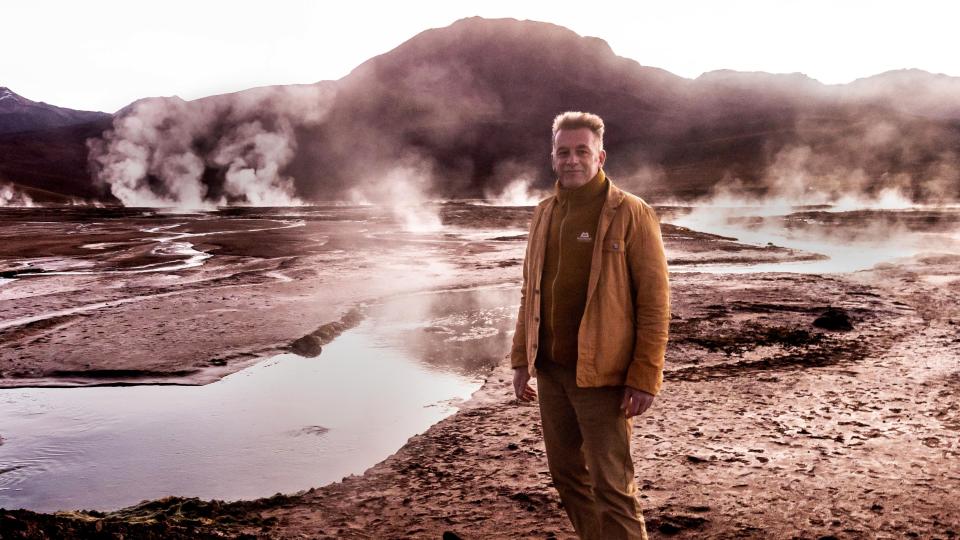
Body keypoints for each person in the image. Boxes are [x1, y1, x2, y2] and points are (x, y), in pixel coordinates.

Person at [510, 111, 670, 540]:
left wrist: (645, 375)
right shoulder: (545, 213)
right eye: (564, 152)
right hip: (552, 371)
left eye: (582, 151)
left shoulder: (632, 213)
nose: (572, 160)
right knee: (567, 477)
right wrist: (521, 359)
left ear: (600, 156)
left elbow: (655, 303)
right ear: (553, 157)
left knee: (612, 486)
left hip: (603, 376)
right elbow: (531, 294)